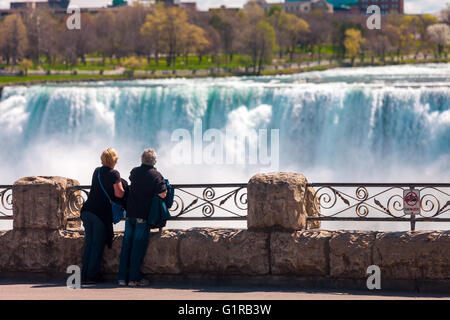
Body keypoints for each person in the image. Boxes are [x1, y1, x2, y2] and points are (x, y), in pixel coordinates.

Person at [118, 148, 167, 287]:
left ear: (142, 159)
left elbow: (133, 180)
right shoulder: (156, 175)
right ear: (154, 161)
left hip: (130, 214)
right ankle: (134, 279)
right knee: (137, 247)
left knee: (126, 246)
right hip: (143, 216)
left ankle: (121, 278)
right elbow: (163, 193)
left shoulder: (134, 172)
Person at [80, 148, 126, 284]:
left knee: (89, 243)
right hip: (99, 214)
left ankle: (84, 275)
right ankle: (92, 276)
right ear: (115, 160)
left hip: (87, 210)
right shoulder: (114, 174)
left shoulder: (97, 171)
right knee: (97, 245)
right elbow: (119, 194)